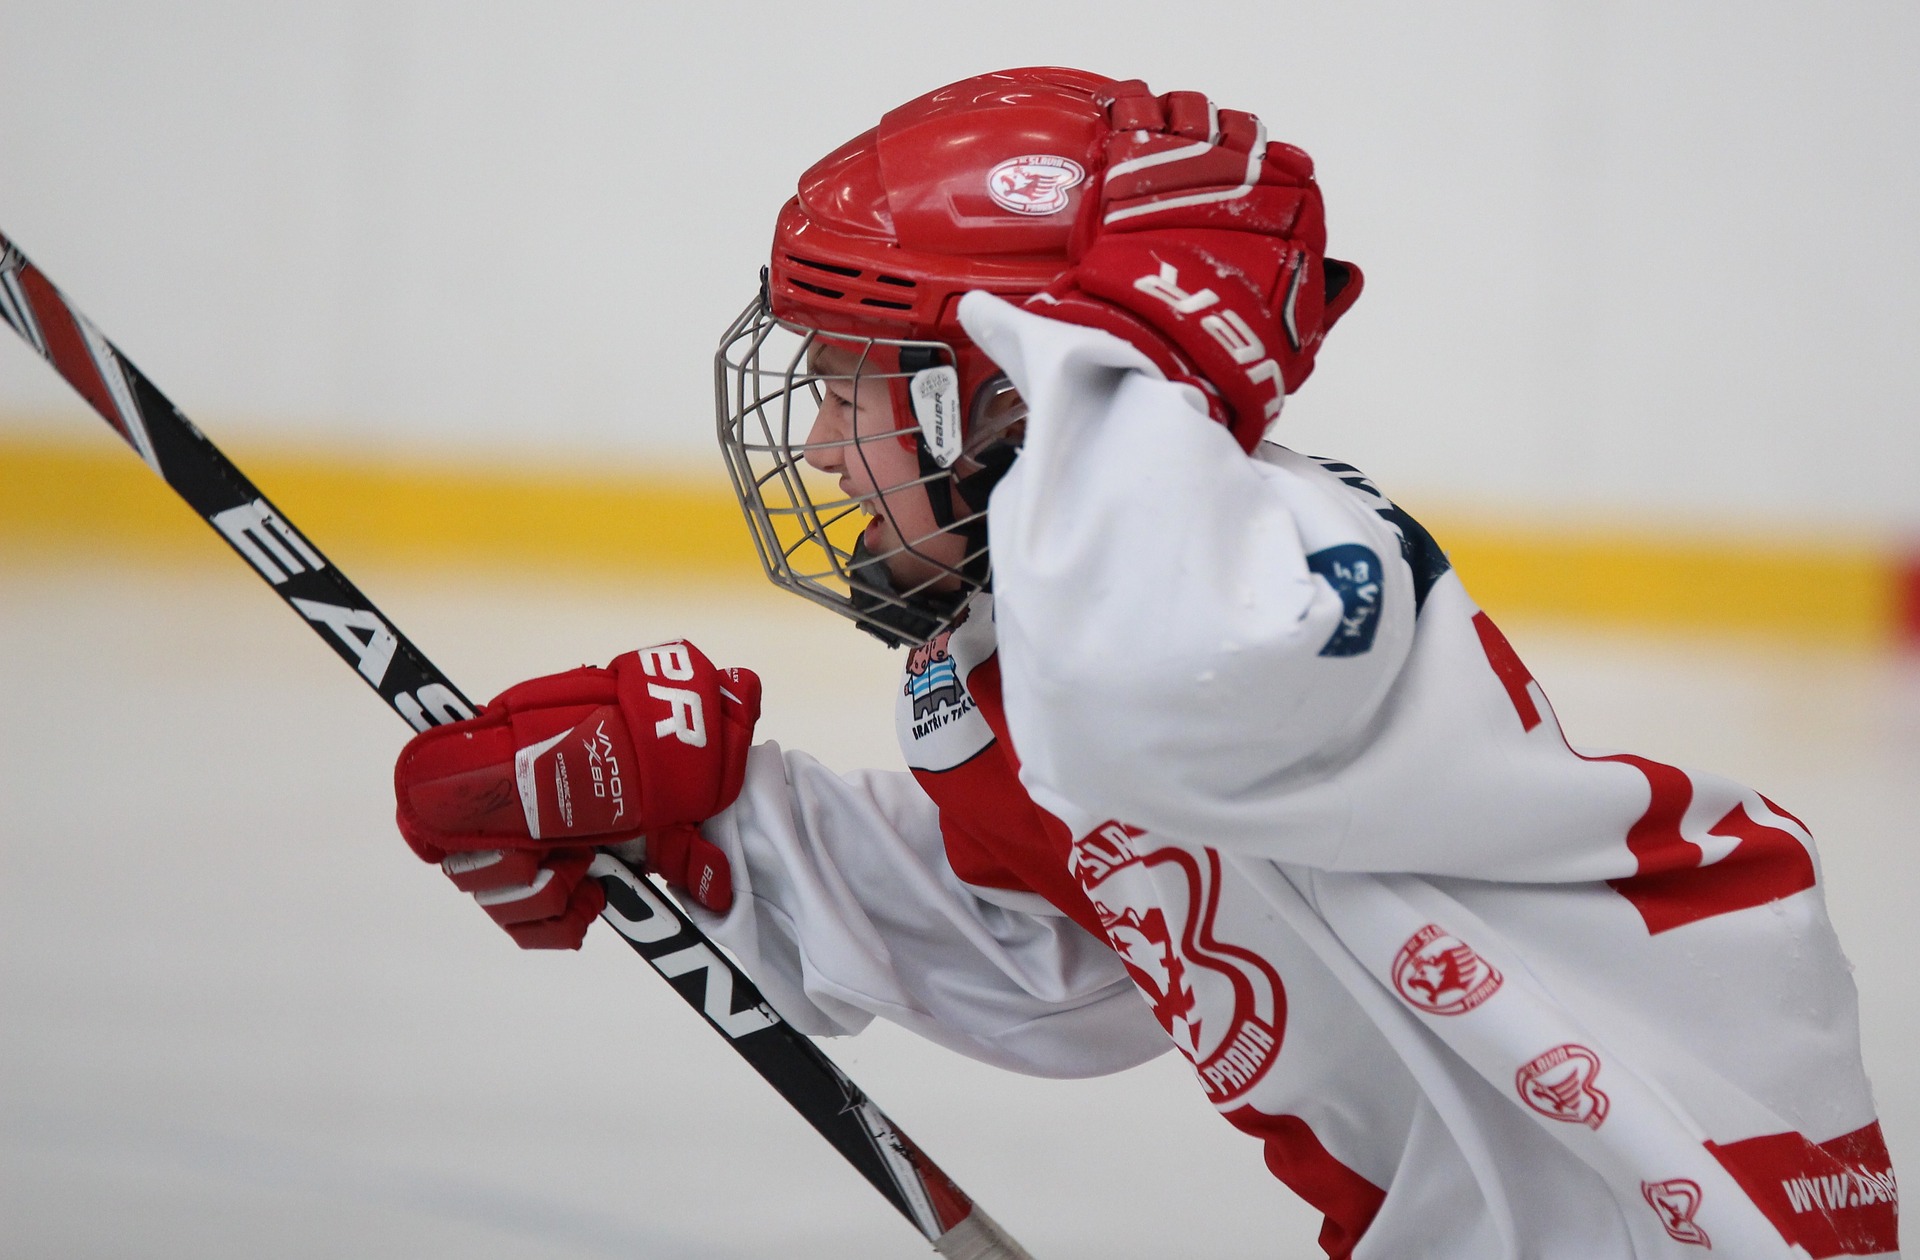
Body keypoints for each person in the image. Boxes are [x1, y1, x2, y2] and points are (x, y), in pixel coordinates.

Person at [390, 67, 1898, 1258]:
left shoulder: (1289, 564)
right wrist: (716, 837)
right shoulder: (1017, 665)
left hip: (1686, 1191)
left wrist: (1119, 353)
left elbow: (1157, 698)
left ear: (1017, 395)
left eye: (862, 389)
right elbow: (1060, 963)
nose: (831, 456)